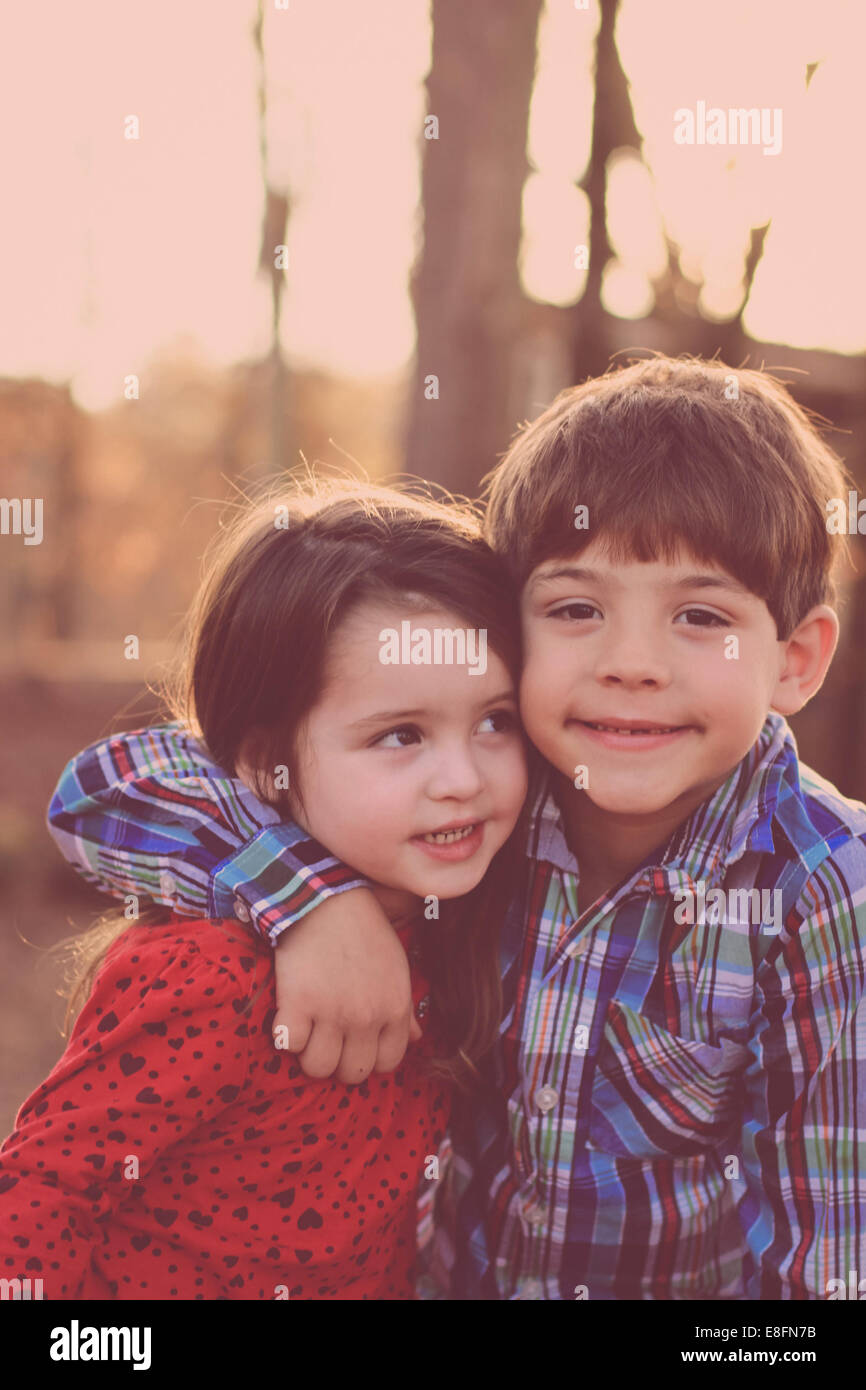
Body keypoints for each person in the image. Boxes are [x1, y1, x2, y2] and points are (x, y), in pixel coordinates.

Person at [46, 357, 866, 1299]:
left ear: (796, 660)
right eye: (575, 609)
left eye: (700, 615)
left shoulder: (826, 892)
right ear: (508, 635)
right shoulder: (492, 801)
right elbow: (108, 788)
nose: (632, 663)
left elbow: (827, 1278)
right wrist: (316, 905)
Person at [0, 480, 529, 1299]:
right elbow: (37, 1202)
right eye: (401, 735)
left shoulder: (463, 919)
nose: (463, 778)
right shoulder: (211, 977)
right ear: (262, 761)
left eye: (496, 720)